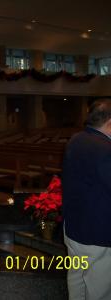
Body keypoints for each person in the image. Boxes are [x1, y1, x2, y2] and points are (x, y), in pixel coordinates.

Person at [62, 99, 111, 300]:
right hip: (97, 235)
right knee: (100, 291)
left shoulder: (77, 139)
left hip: (74, 230)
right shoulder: (105, 150)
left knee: (77, 281)